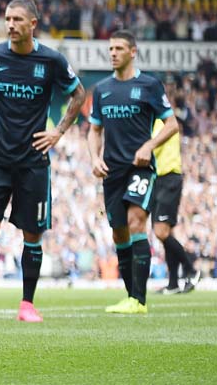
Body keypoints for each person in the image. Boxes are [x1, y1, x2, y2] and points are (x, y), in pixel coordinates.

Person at [0, 0, 85, 323]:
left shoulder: (51, 60)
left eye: (17, 19)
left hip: (33, 161)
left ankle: (27, 304)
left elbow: (78, 94)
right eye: (7, 18)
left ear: (33, 24)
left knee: (32, 233)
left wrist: (57, 132)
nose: (11, 24)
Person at [88, 30, 179, 314]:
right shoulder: (102, 89)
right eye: (111, 48)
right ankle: (130, 297)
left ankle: (139, 300)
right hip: (112, 171)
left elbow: (172, 124)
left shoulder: (149, 85)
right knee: (119, 233)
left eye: (119, 48)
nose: (113, 53)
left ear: (132, 52)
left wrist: (147, 146)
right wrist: (94, 157)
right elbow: (94, 130)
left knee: (136, 221)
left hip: (140, 168)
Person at [152, 115, 199, 293]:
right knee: (165, 233)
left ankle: (191, 269)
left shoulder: (162, 122)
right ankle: (173, 283)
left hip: (169, 178)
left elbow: (151, 146)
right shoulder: (155, 122)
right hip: (159, 180)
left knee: (160, 231)